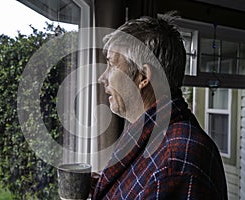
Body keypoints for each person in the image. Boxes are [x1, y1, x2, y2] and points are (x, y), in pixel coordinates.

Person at [92, 12, 228, 199]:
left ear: (143, 77)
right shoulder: (150, 135)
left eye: (112, 65)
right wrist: (99, 186)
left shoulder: (177, 161)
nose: (103, 78)